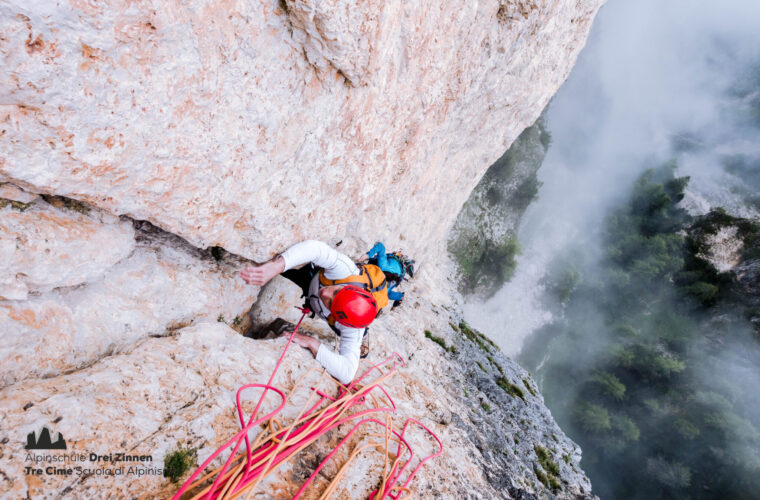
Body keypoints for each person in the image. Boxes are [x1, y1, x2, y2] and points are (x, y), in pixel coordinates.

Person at [240, 240, 379, 385]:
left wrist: (313, 343)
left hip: (322, 300)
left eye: (330, 303)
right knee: (289, 264)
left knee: (350, 335)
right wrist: (278, 266)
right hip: (315, 278)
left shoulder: (350, 327)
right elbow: (317, 249)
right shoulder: (347, 273)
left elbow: (347, 373)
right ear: (346, 287)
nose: (325, 294)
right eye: (336, 291)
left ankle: (362, 336)